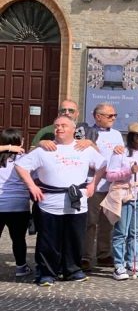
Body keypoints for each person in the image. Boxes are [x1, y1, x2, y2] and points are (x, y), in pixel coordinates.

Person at [16, 115, 106, 285]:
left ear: (73, 129)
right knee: (48, 241)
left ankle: (73, 270)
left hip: (77, 202)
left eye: (64, 125)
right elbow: (20, 166)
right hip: (50, 203)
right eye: (56, 125)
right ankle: (46, 273)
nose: (59, 128)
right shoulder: (44, 149)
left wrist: (93, 184)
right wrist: (32, 186)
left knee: (75, 239)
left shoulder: (84, 148)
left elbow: (102, 165)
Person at [102, 122, 138, 279]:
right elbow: (110, 175)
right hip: (125, 195)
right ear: (132, 136)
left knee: (135, 232)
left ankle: (133, 262)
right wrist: (128, 172)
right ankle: (119, 265)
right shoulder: (121, 153)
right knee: (121, 232)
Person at [80, 103, 124, 270]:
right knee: (90, 222)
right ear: (98, 117)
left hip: (111, 185)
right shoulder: (87, 134)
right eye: (109, 115)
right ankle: (85, 256)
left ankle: (104, 254)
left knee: (107, 222)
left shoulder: (117, 134)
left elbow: (121, 156)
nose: (113, 118)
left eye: (115, 115)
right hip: (94, 184)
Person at [0, 129, 32, 277]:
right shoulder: (25, 159)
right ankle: (21, 267)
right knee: (18, 238)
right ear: (20, 142)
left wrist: (6, 147)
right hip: (19, 205)